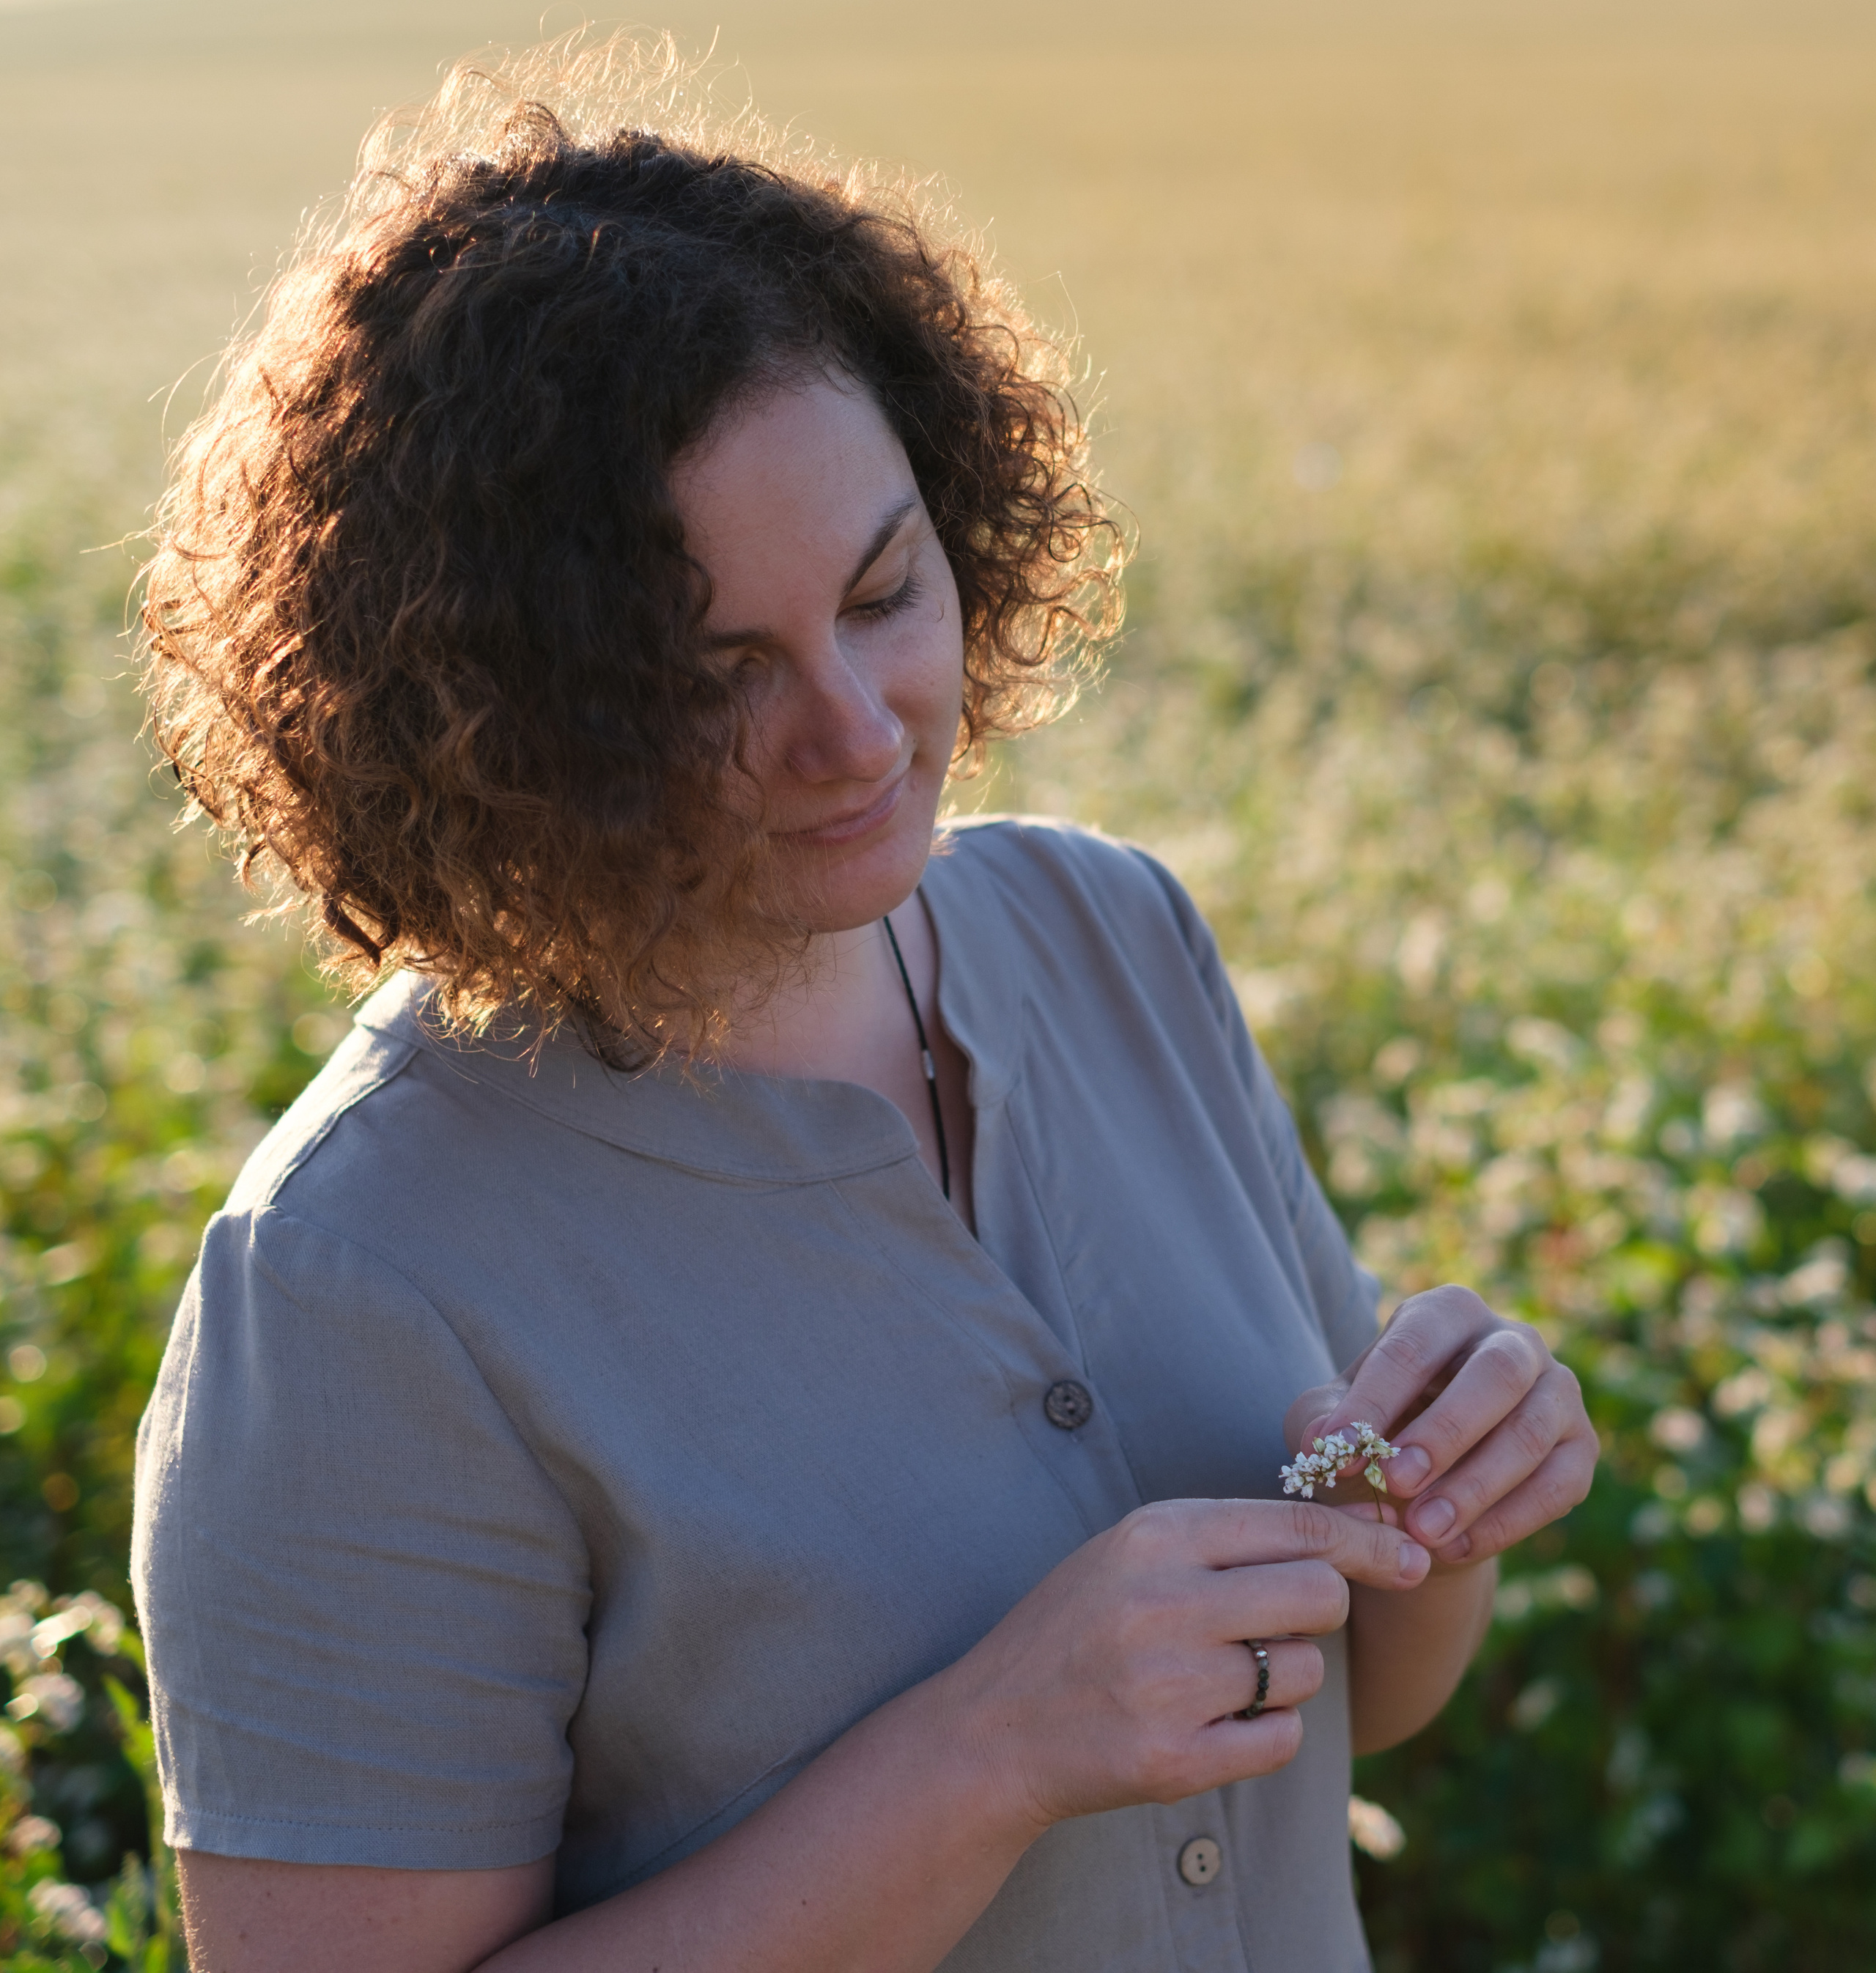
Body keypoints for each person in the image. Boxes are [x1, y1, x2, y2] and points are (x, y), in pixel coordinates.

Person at [131, 36, 1598, 1973]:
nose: (853, 731)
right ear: (502, 717)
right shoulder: (355, 1284)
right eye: (714, 674)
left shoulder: (1109, 935)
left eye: (885, 592)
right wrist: (989, 1751)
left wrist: (1443, 1501)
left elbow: (1361, 1696)